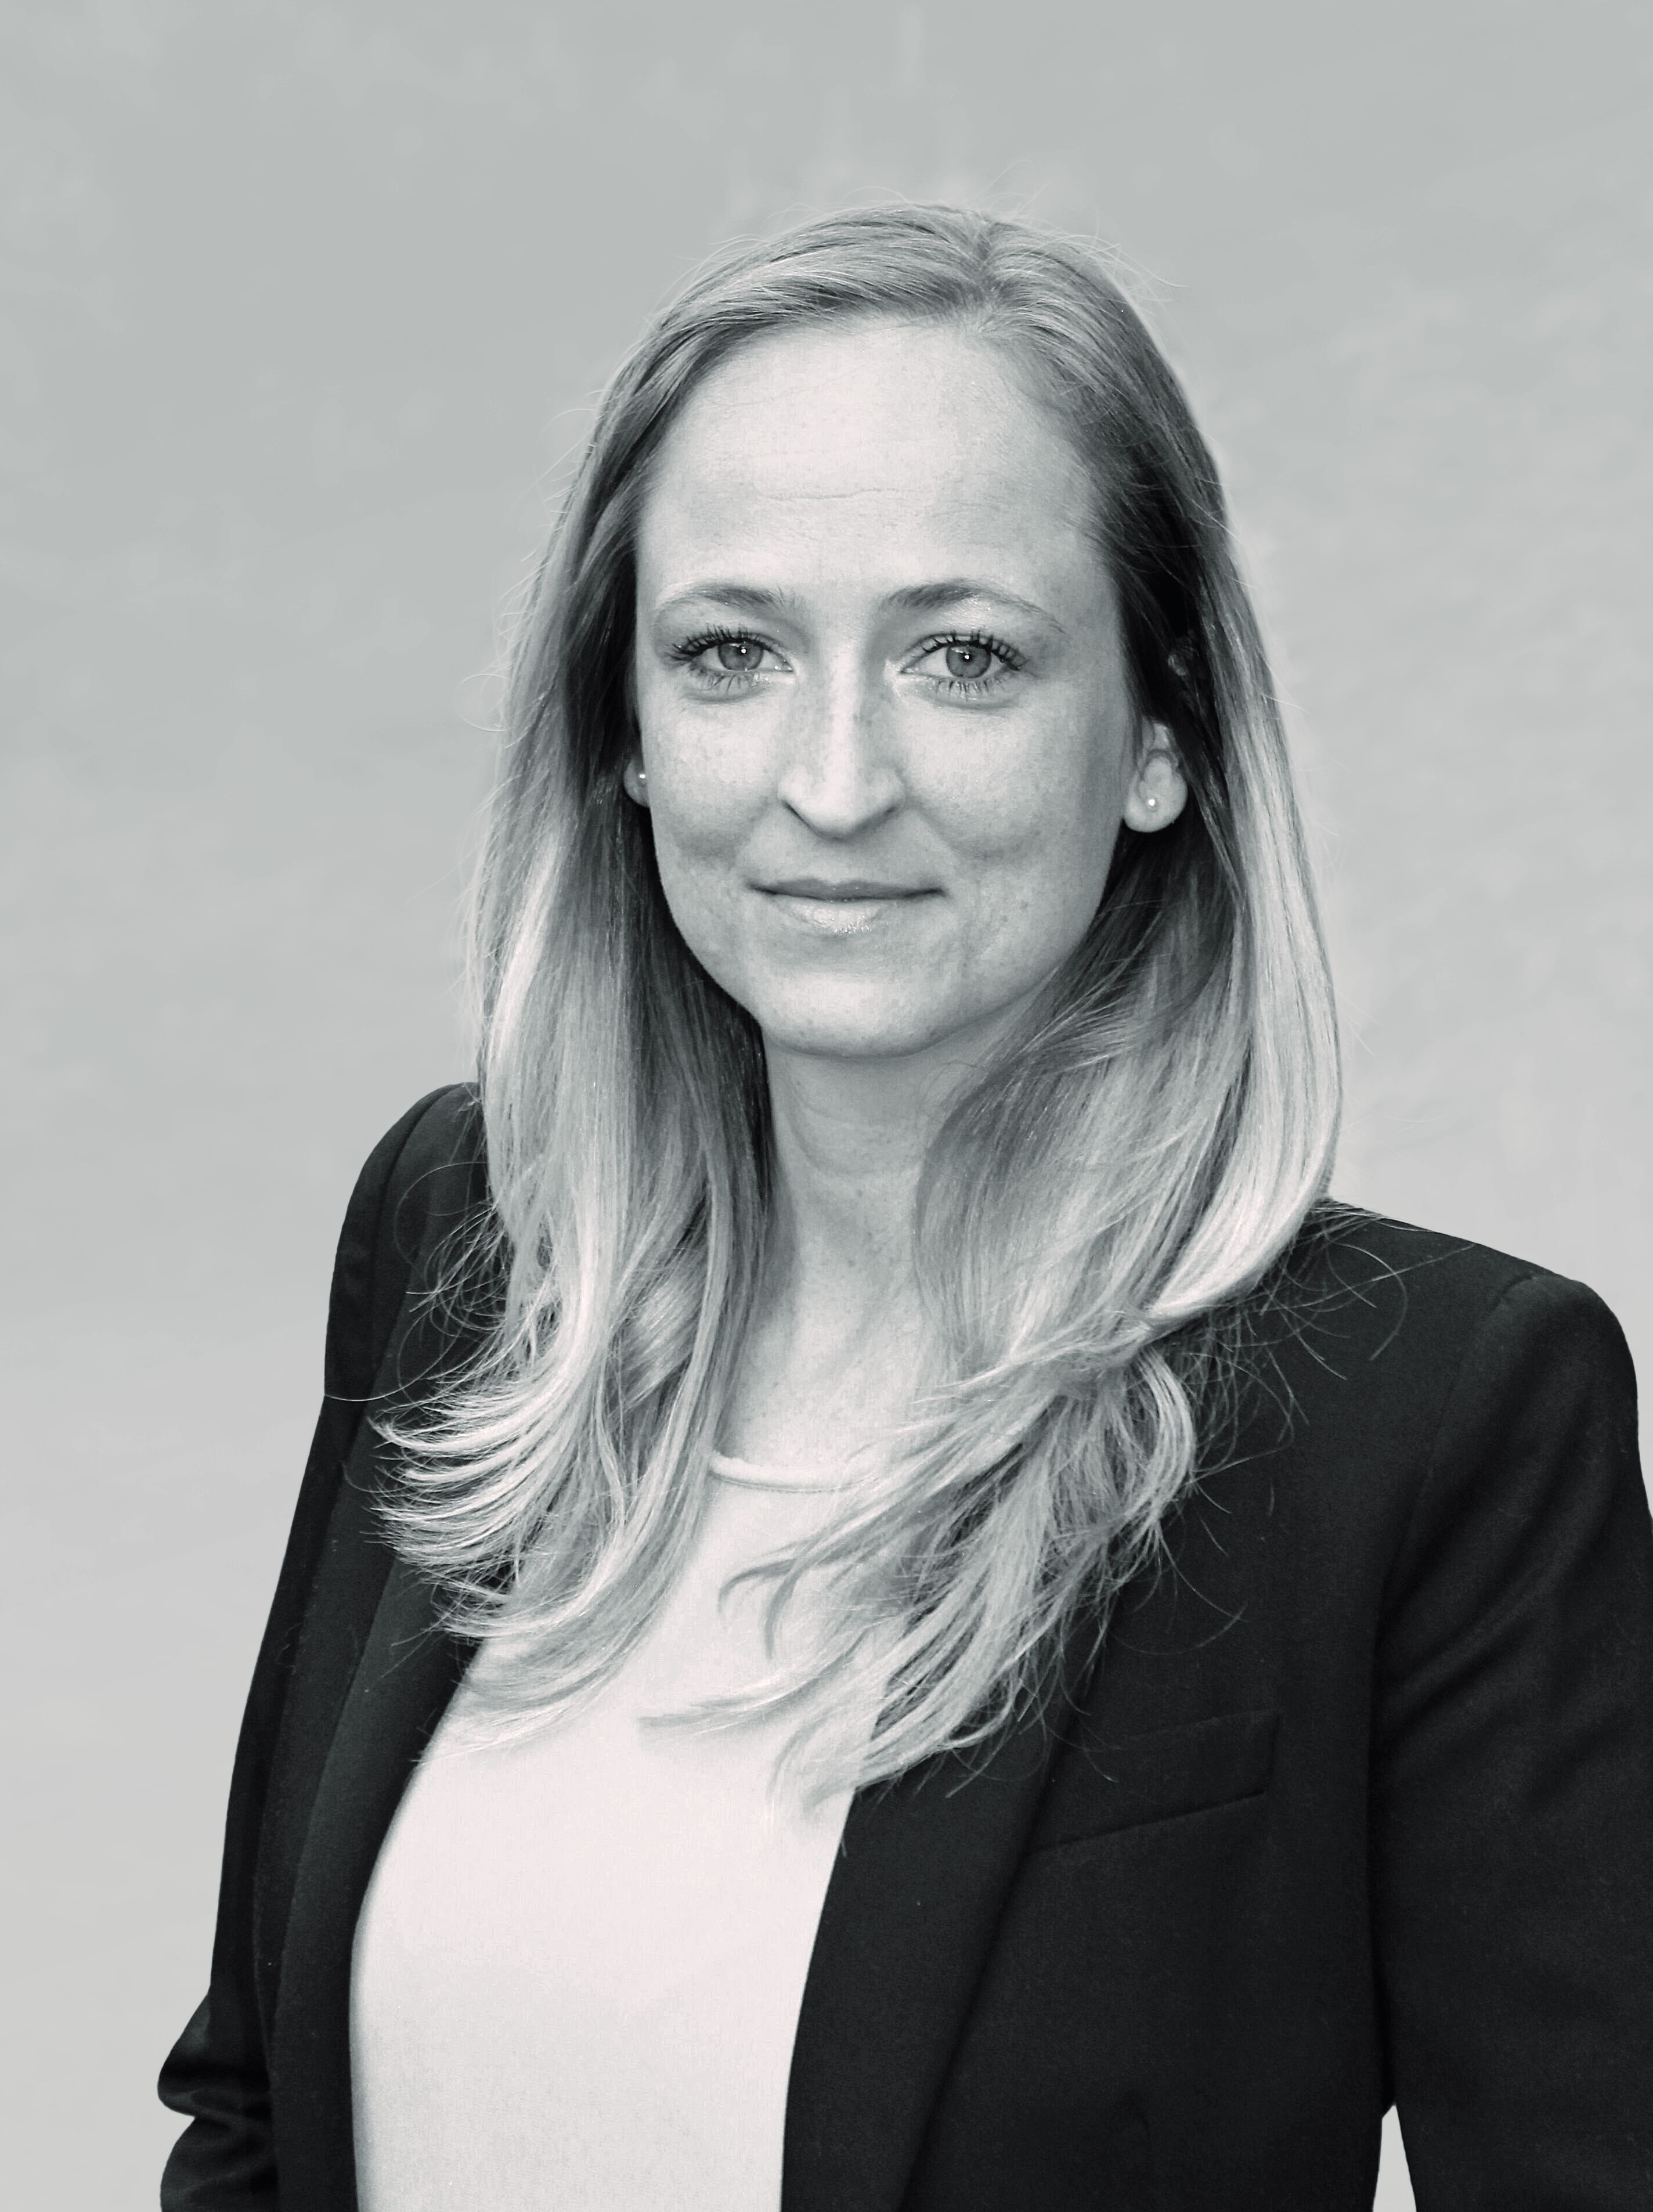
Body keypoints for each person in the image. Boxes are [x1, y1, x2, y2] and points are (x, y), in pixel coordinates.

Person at [158, 205, 1652, 2211]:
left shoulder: (1433, 1422)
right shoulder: (466, 1247)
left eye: (966, 656)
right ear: (622, 732)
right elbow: (256, 2110)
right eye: (731, 652)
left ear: (1161, 734)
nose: (837, 781)